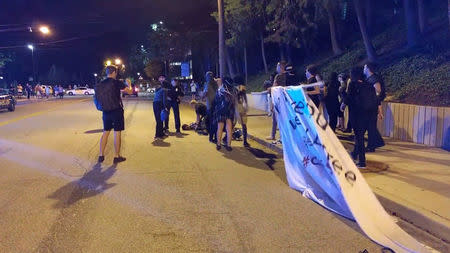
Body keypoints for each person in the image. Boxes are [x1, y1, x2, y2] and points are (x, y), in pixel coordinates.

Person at [343, 67, 379, 169]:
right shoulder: (368, 84)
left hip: (357, 115)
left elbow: (348, 99)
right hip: (368, 115)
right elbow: (375, 99)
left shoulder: (353, 84)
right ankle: (354, 154)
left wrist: (342, 94)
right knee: (360, 137)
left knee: (359, 138)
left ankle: (362, 162)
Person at [94, 65, 128, 164]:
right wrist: (128, 84)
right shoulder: (117, 82)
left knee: (105, 132)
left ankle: (101, 155)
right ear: (114, 73)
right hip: (116, 110)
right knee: (117, 132)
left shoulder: (100, 84)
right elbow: (129, 91)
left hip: (105, 111)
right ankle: (116, 156)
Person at [364, 63, 386, 152]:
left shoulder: (374, 79)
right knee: (370, 126)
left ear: (368, 69)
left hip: (372, 105)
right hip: (369, 105)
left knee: (371, 126)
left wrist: (379, 110)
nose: (364, 69)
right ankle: (376, 143)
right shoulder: (369, 78)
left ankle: (372, 146)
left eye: (365, 67)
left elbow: (378, 93)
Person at [212, 78, 236, 151]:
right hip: (229, 112)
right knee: (229, 129)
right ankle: (228, 145)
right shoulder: (232, 90)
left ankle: (218, 144)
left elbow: (215, 101)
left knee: (220, 128)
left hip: (220, 111)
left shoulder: (219, 91)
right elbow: (234, 102)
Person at [267, 61, 287, 142]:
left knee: (277, 119)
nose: (276, 68)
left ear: (281, 67)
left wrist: (271, 103)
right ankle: (274, 135)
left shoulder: (278, 76)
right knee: (278, 119)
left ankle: (277, 136)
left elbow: (274, 89)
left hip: (277, 100)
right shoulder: (288, 76)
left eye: (277, 67)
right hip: (285, 99)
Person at [202, 71, 219, 143]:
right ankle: (215, 137)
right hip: (216, 105)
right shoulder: (216, 84)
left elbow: (205, 93)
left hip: (210, 105)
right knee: (215, 121)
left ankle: (211, 137)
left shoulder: (207, 84)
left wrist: (202, 97)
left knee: (211, 122)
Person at [234, 76, 250, 147]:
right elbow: (244, 97)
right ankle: (245, 141)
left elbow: (235, 97)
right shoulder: (242, 87)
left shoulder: (234, 87)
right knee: (244, 125)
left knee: (232, 123)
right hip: (241, 107)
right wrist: (246, 105)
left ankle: (226, 138)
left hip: (236, 107)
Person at [153, 75, 169, 140]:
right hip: (159, 104)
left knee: (159, 119)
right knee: (159, 120)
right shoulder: (163, 90)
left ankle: (161, 133)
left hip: (155, 104)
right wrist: (165, 107)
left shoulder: (158, 89)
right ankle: (157, 135)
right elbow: (164, 100)